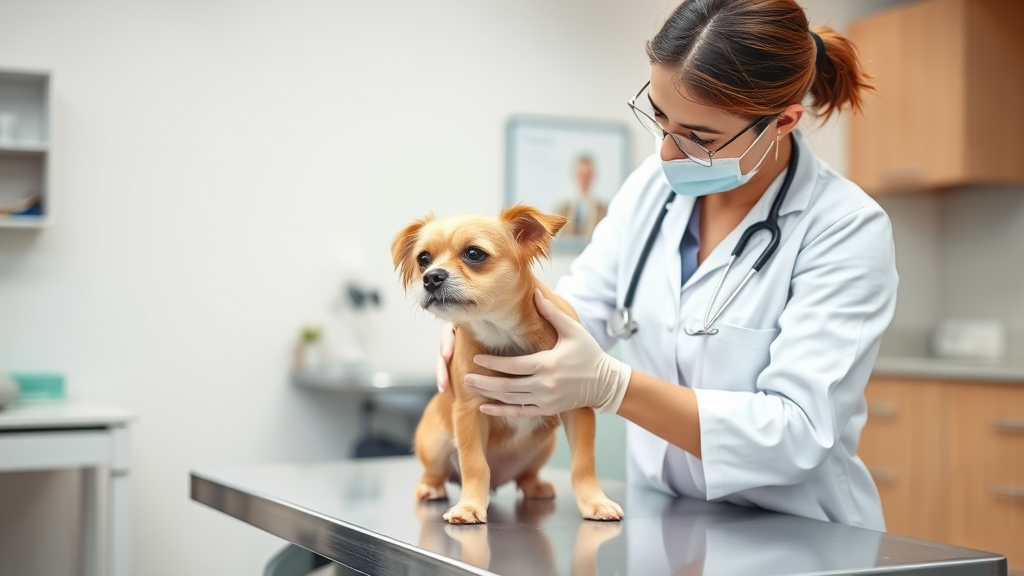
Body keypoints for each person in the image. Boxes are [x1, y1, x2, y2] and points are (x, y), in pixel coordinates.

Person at [438, 0, 896, 531]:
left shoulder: (844, 227)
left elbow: (796, 432)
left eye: (699, 137)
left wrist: (613, 386)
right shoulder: (650, 190)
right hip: (666, 520)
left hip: (800, 531)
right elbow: (576, 313)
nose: (667, 156)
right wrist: (489, 322)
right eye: (659, 119)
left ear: (784, 121)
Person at [554, 155, 608, 239]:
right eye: (580, 174)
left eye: (587, 175)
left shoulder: (604, 211)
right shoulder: (561, 210)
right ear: (574, 175)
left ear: (593, 176)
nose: (584, 179)